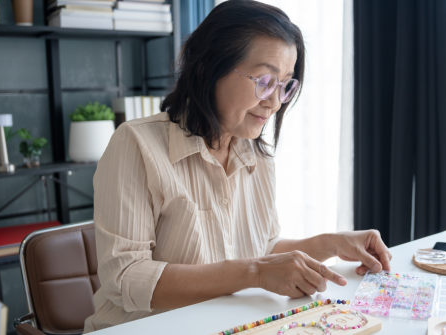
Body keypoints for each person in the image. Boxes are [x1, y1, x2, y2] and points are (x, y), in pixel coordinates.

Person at [83, 0, 392, 331]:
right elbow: (125, 278)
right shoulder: (136, 144)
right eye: (264, 80)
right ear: (207, 68)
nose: (274, 102)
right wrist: (255, 272)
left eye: (285, 84)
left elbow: (265, 250)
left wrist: (333, 243)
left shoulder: (255, 154)